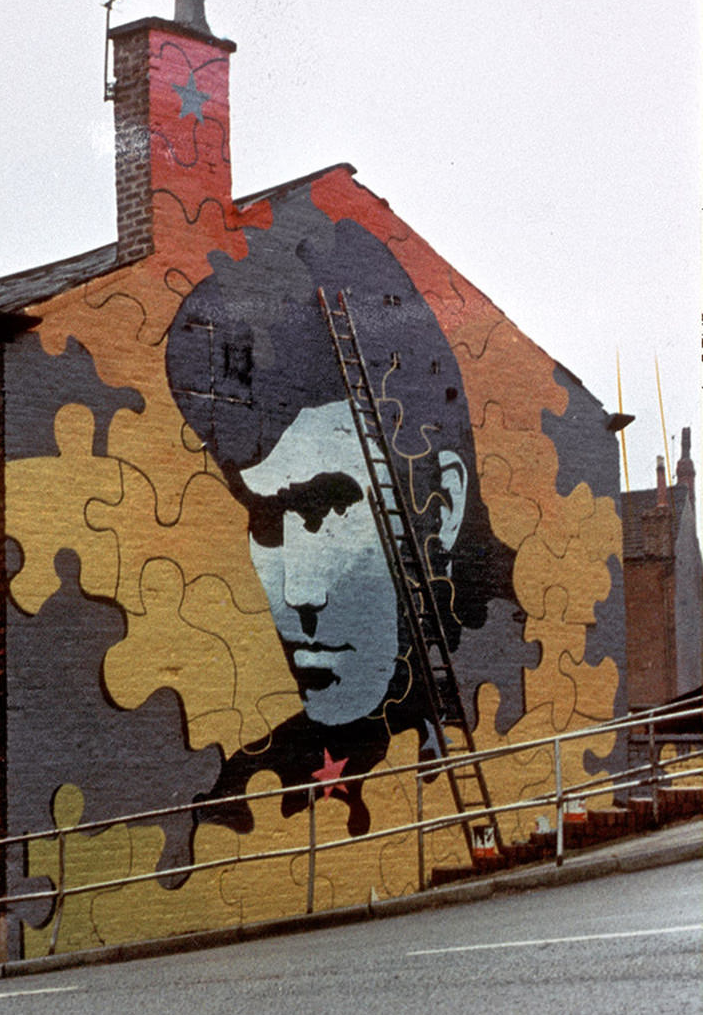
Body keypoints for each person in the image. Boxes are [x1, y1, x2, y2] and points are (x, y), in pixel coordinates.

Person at [165, 202, 515, 835]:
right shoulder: (236, 795)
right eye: (266, 520)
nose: (298, 592)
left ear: (443, 506)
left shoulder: (508, 696)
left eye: (326, 508)